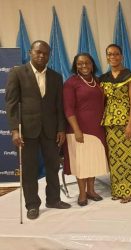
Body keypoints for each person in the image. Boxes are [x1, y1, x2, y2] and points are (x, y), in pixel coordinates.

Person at [5, 40, 71, 220]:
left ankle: (54, 199)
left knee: (52, 166)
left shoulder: (56, 77)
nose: (41, 55)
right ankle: (32, 205)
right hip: (27, 130)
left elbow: (59, 105)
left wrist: (61, 129)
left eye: (45, 53)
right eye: (38, 52)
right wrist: (14, 130)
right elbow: (11, 104)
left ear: (49, 55)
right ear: (30, 52)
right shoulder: (17, 73)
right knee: (29, 169)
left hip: (50, 130)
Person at [62, 53, 108, 206]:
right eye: (80, 63)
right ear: (76, 65)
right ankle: (82, 194)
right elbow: (68, 108)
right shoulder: (71, 83)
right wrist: (76, 129)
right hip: (79, 128)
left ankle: (91, 190)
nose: (84, 66)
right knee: (81, 163)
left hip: (97, 128)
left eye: (87, 63)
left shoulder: (97, 81)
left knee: (92, 160)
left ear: (92, 64)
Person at [100, 44, 131, 203]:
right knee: (115, 158)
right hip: (110, 122)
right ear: (107, 57)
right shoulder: (103, 78)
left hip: (126, 121)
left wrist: (130, 124)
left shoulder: (130, 76)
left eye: (116, 54)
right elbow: (102, 101)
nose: (113, 57)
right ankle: (117, 190)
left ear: (121, 56)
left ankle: (128, 190)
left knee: (128, 157)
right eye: (110, 54)